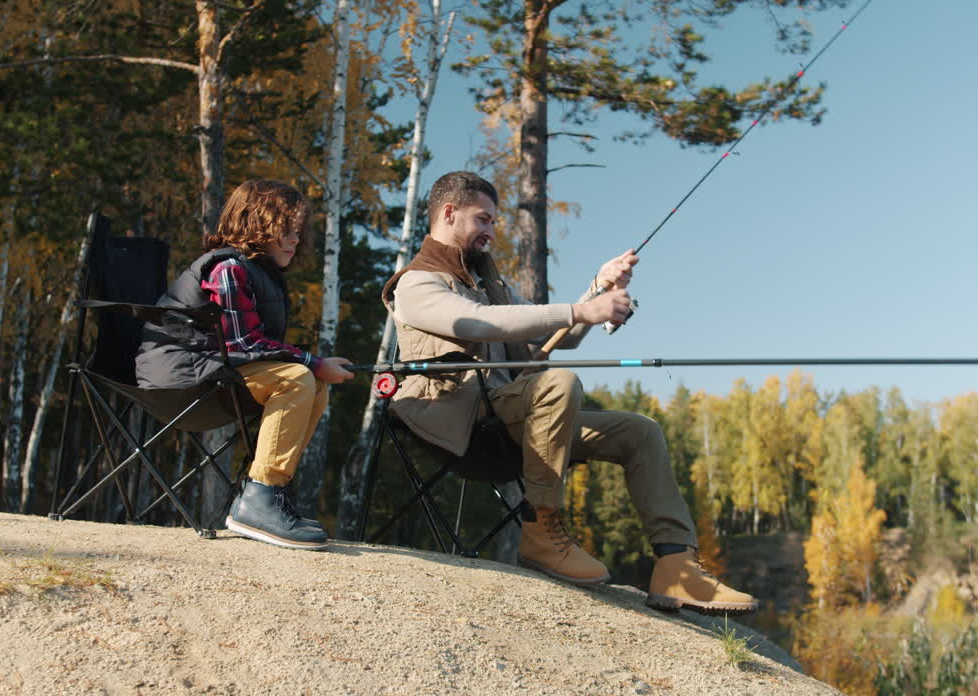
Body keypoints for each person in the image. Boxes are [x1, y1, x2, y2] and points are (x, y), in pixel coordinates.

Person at [381, 171, 756, 613]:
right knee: (558, 382)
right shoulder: (416, 282)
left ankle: (677, 567)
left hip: (510, 418)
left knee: (640, 432)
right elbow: (474, 323)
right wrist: (583, 308)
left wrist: (598, 289)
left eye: (495, 222)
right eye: (483, 220)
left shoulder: (488, 283)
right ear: (448, 213)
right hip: (462, 424)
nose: (491, 231)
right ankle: (541, 530)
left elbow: (557, 336)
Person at [136, 179, 354, 550]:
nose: (295, 239)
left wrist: (316, 368)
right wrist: (313, 362)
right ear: (257, 223)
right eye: (286, 229)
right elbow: (244, 343)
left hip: (214, 370)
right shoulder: (229, 268)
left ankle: (270, 494)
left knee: (313, 384)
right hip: (181, 380)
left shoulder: (258, 272)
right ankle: (259, 498)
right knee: (298, 378)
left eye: (298, 232)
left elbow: (245, 347)